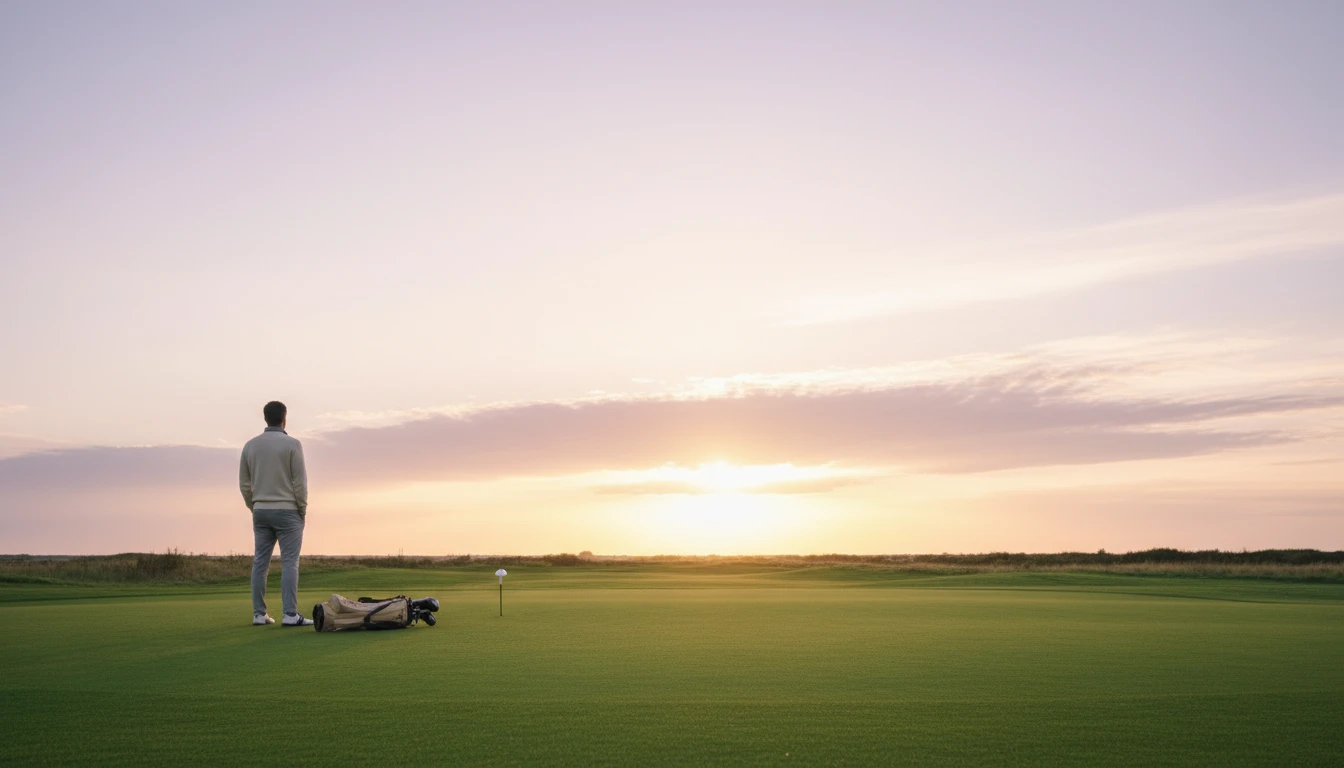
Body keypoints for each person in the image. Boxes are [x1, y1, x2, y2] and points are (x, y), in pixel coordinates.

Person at [239, 401, 313, 627]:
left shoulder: (250, 446)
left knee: (260, 562)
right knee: (290, 562)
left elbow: (244, 484)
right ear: (284, 418)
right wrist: (302, 508)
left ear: (265, 418)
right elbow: (300, 482)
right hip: (288, 510)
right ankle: (290, 615)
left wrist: (255, 506)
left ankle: (259, 614)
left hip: (261, 510)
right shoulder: (292, 444)